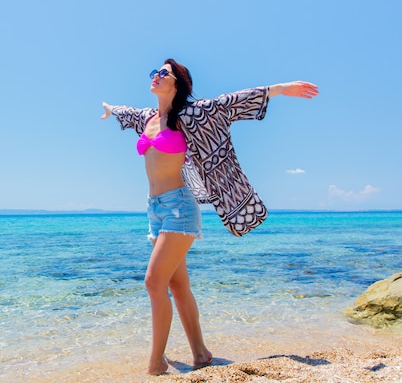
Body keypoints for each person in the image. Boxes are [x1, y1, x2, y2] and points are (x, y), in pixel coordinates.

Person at [100, 58, 318, 375]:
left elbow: (229, 102)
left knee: (152, 282)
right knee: (177, 285)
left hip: (180, 208)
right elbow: (126, 112)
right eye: (155, 72)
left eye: (165, 73)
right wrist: (110, 109)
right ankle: (201, 354)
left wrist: (281, 89)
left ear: (178, 84)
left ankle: (155, 362)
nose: (157, 77)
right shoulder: (148, 118)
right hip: (155, 210)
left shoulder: (190, 114)